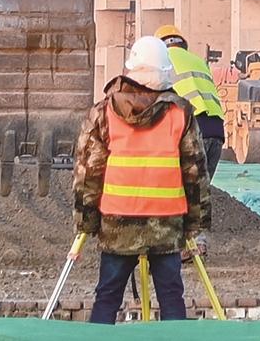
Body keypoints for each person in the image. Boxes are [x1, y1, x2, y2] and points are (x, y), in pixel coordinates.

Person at [73, 35, 209, 324]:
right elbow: (195, 174)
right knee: (171, 297)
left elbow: (88, 173)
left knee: (107, 297)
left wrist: (86, 222)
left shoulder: (104, 112)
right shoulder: (180, 114)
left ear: (130, 68)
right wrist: (194, 224)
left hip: (117, 226)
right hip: (166, 227)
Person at [153, 23, 228, 169]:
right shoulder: (198, 61)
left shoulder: (163, 61)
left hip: (192, 128)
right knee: (203, 182)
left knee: (180, 182)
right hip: (216, 131)